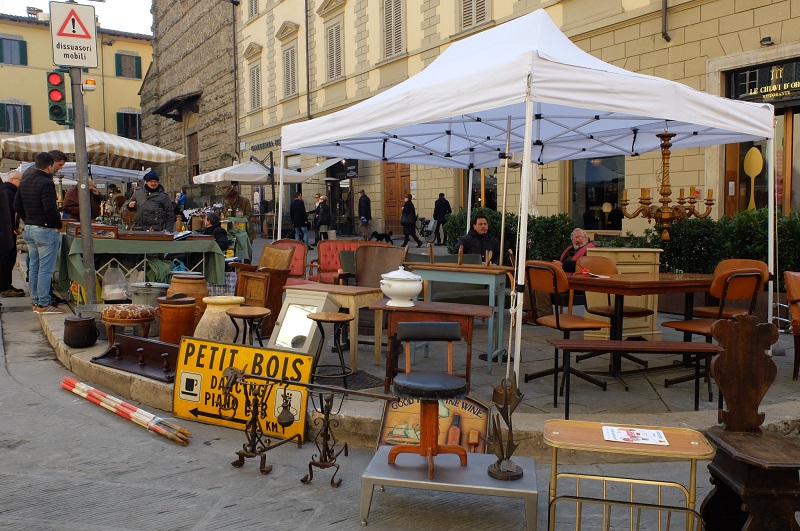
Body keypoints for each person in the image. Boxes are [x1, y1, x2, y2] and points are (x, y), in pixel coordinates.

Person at [14, 152, 64, 314]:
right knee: (45, 269)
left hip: (29, 228)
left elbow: (17, 204)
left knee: (34, 267)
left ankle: (36, 301)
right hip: (44, 229)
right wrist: (57, 224)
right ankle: (43, 303)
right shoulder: (46, 182)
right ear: (50, 166)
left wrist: (27, 219)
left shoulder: (25, 180)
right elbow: (49, 208)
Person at [0, 171, 24, 298]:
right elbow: (9, 212)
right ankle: (4, 287)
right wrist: (12, 228)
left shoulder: (8, 190)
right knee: (6, 259)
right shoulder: (8, 192)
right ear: (14, 179)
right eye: (21, 180)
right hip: (7, 231)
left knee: (8, 259)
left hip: (7, 230)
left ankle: (7, 285)